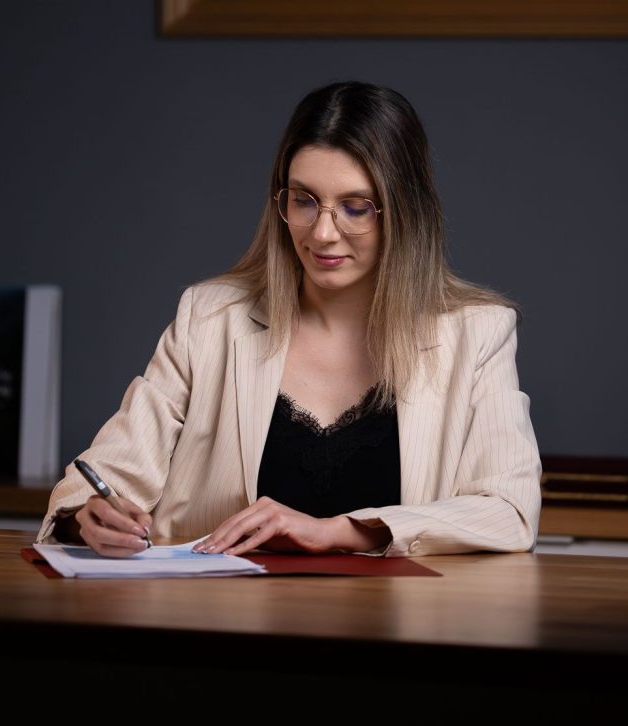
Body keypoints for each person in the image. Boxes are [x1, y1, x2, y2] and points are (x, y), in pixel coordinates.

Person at [37, 81, 541, 558]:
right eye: (304, 200)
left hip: (396, 617)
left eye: (355, 208)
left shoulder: (478, 332)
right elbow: (100, 480)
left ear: (404, 213)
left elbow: (509, 511)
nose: (322, 233)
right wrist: (89, 516)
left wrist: (338, 531)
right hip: (214, 614)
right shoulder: (210, 319)